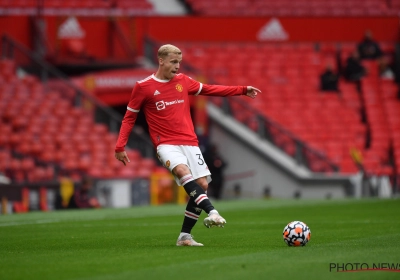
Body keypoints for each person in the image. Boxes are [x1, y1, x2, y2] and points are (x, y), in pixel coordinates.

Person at [114, 44, 261, 246]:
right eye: (174, 62)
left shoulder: (183, 81)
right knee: (183, 172)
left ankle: (184, 237)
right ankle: (213, 212)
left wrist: (242, 90)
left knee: (202, 185)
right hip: (166, 144)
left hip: (190, 143)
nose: (177, 66)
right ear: (161, 60)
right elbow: (129, 118)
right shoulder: (143, 86)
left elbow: (211, 89)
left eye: (179, 62)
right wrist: (120, 146)